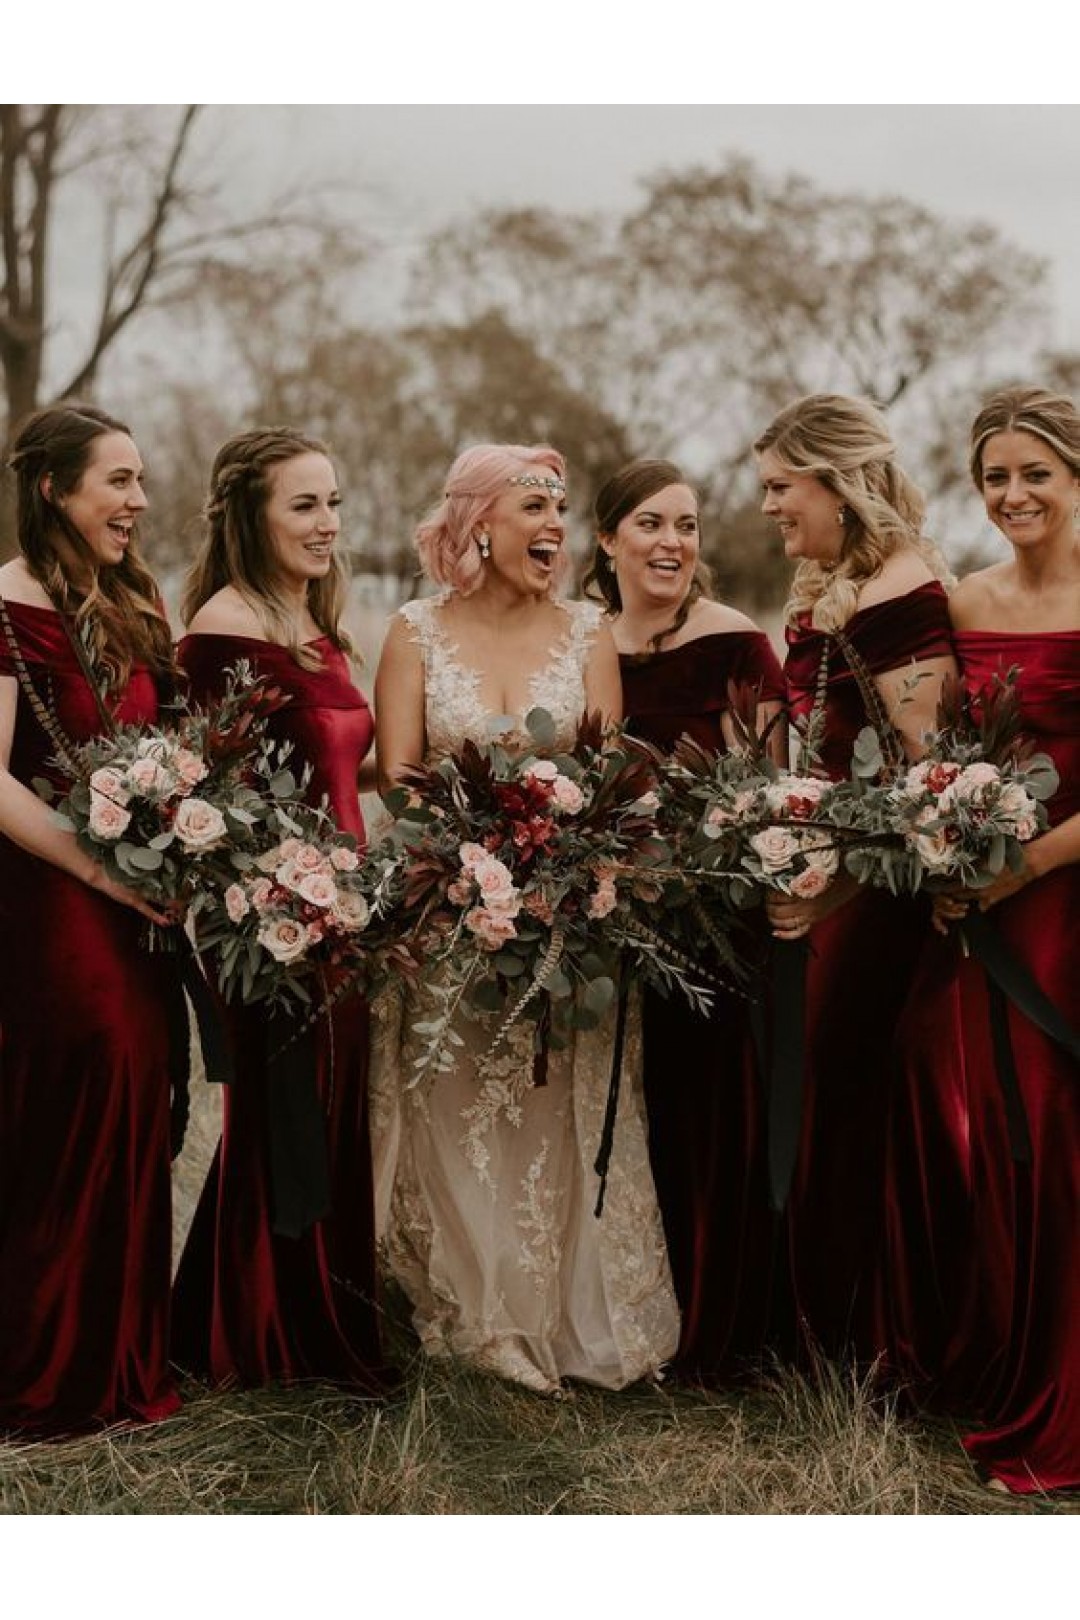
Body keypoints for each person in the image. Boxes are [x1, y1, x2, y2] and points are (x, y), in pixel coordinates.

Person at [369, 442, 679, 1394]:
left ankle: (554, 1311)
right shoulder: (414, 631)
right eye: (532, 507)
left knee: (550, 1099)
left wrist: (561, 866)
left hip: (560, 912)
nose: (553, 526)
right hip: (446, 907)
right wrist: (469, 864)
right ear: (478, 525)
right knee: (456, 1097)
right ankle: (475, 1311)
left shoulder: (589, 631)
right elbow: (398, 773)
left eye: (559, 508)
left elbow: (609, 774)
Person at [170, 426, 393, 1394]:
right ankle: (256, 1337)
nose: (327, 524)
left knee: (332, 1108)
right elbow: (213, 792)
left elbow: (343, 765)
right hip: (266, 918)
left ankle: (318, 1317)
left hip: (344, 905)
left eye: (334, 503)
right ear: (250, 515)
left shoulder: (320, 626)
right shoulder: (224, 629)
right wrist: (281, 895)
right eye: (304, 505)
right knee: (281, 1113)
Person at [892, 386, 1079, 1492]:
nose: (1012, 495)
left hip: (1062, 895)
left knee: (1061, 1131)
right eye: (993, 478)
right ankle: (1009, 1364)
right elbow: (939, 748)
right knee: (991, 1121)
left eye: (1036, 474)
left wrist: (1031, 863)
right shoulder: (965, 600)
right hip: (988, 906)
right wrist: (950, 852)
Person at [753, 393, 957, 1366]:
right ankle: (821, 1332)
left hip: (881, 905)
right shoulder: (844, 577)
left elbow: (932, 783)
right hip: (834, 884)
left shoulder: (900, 595)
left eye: (780, 487)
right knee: (820, 1091)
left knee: (846, 1091)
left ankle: (869, 1347)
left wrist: (830, 883)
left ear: (838, 482)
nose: (767, 508)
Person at [0, 402, 181, 1435]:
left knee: (138, 1092)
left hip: (142, 898)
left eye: (141, 481)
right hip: (45, 897)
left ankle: (120, 1358)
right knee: (84, 1078)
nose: (138, 502)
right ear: (52, 490)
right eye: (117, 481)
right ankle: (45, 1368)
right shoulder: (6, 606)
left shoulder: (131, 602)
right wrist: (100, 874)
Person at [584, 458, 786, 1382]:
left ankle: (725, 1325)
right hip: (612, 916)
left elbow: (773, 793)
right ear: (607, 539)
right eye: (653, 525)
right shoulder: (587, 645)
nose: (674, 543)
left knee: (710, 1110)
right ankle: (632, 1310)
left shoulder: (736, 641)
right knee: (631, 1112)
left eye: (689, 526)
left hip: (719, 919)